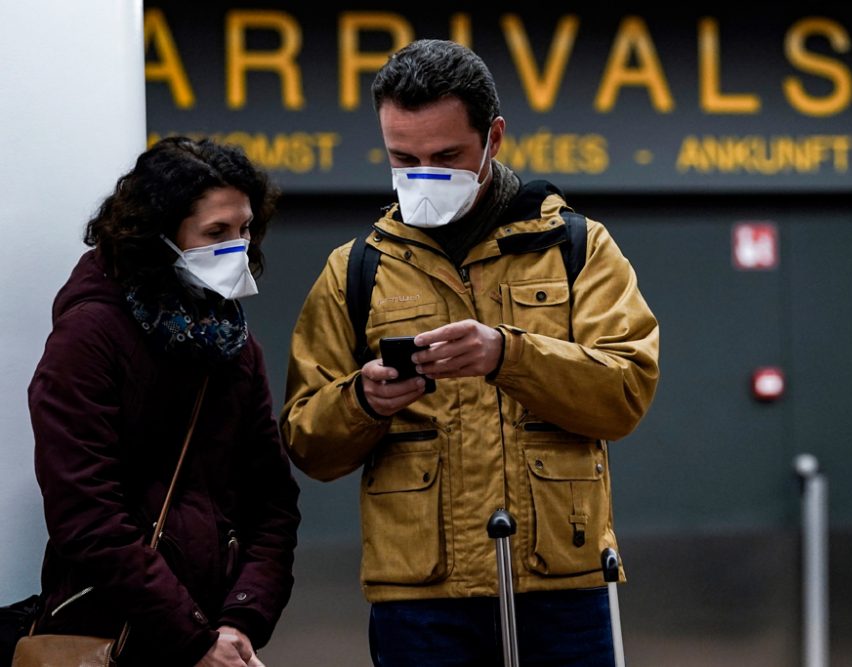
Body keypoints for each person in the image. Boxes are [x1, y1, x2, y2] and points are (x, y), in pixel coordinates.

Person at [281, 39, 659, 666]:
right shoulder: (355, 269)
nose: (424, 171)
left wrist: (508, 355)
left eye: (447, 155)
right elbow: (306, 442)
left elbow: (625, 392)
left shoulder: (575, 247)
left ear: (493, 138)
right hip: (421, 600)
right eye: (403, 157)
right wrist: (363, 401)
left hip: (560, 588)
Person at [27, 136, 301, 667]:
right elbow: (87, 516)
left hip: (216, 632)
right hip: (114, 634)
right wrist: (193, 638)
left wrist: (242, 619)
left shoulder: (233, 343)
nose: (237, 247)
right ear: (160, 236)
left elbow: (273, 505)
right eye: (216, 233)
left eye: (244, 229)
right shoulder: (90, 336)